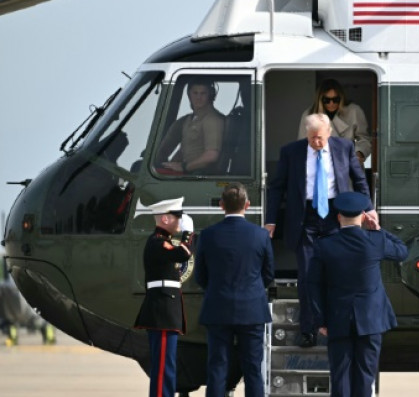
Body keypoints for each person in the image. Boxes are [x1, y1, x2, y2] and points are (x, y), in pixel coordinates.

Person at [266, 113, 374, 348]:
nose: (317, 142)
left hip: (337, 217)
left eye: (321, 138)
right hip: (305, 218)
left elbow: (359, 180)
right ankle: (309, 329)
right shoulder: (291, 152)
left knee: (338, 275)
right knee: (307, 276)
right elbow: (276, 188)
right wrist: (270, 220)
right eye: (313, 138)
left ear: (329, 133)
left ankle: (338, 327)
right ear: (307, 133)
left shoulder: (344, 147)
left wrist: (369, 208)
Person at [308, 192, 408, 397]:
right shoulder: (375, 241)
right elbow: (402, 251)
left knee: (340, 376)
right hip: (371, 320)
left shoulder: (324, 244)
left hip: (338, 318)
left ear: (338, 217)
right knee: (365, 375)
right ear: (363, 216)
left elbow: (313, 285)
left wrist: (320, 320)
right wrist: (379, 230)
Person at [195, 182, 275, 397]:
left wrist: (215, 290)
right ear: (247, 205)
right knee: (252, 370)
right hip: (252, 309)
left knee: (217, 368)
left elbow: (200, 276)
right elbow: (268, 274)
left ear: (222, 205)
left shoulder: (208, 235)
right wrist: (254, 290)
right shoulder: (260, 235)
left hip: (218, 308)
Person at [133, 197, 194, 397]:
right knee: (163, 369)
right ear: (166, 219)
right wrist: (187, 235)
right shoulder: (158, 243)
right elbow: (183, 254)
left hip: (164, 311)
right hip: (162, 312)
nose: (180, 221)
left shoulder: (162, 242)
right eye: (177, 217)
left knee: (167, 366)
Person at [157, 78, 225, 174]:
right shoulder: (186, 120)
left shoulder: (212, 120)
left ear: (210, 95)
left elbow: (212, 155)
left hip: (197, 174)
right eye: (195, 93)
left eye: (203, 93)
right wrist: (168, 165)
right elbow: (181, 150)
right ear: (189, 95)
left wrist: (185, 167)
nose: (198, 97)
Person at [298, 79, 372, 164]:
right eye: (327, 100)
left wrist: (359, 153)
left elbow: (364, 139)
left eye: (335, 99)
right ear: (320, 99)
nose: (331, 103)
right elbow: (302, 145)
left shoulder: (354, 111)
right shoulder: (309, 115)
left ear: (341, 98)